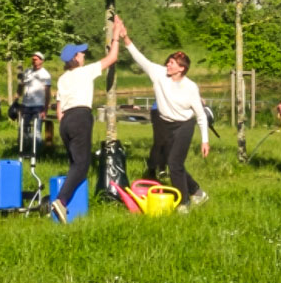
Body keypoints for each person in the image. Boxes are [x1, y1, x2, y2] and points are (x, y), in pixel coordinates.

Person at [121, 20, 210, 212]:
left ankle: (184, 204)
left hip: (184, 125)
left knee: (174, 163)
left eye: (172, 63)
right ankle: (197, 193)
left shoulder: (190, 87)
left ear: (181, 68)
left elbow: (201, 116)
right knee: (174, 163)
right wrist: (125, 38)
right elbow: (140, 58)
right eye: (168, 61)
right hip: (166, 124)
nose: (167, 64)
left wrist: (204, 141)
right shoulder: (158, 73)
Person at [51, 17, 123, 224]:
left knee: (74, 163)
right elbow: (112, 58)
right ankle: (61, 202)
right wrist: (116, 36)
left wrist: (65, 126)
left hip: (65, 122)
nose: (84, 54)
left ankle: (68, 205)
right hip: (80, 117)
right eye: (81, 52)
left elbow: (58, 109)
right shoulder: (84, 72)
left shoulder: (62, 79)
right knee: (83, 164)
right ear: (75, 58)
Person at [17, 51, 51, 154]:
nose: (33, 61)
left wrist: (45, 109)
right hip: (26, 105)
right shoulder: (28, 71)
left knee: (37, 130)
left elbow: (48, 92)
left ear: (41, 60)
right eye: (33, 59)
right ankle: (24, 149)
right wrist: (17, 99)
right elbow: (21, 86)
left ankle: (37, 153)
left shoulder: (45, 74)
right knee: (23, 129)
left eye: (36, 59)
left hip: (38, 105)